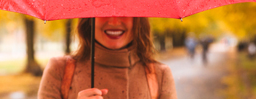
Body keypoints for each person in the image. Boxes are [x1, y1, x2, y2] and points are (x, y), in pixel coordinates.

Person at [38, 17, 177, 99]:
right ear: (89, 19)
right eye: (103, 10)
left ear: (138, 19)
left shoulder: (160, 75)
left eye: (124, 9)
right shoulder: (59, 70)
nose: (114, 21)